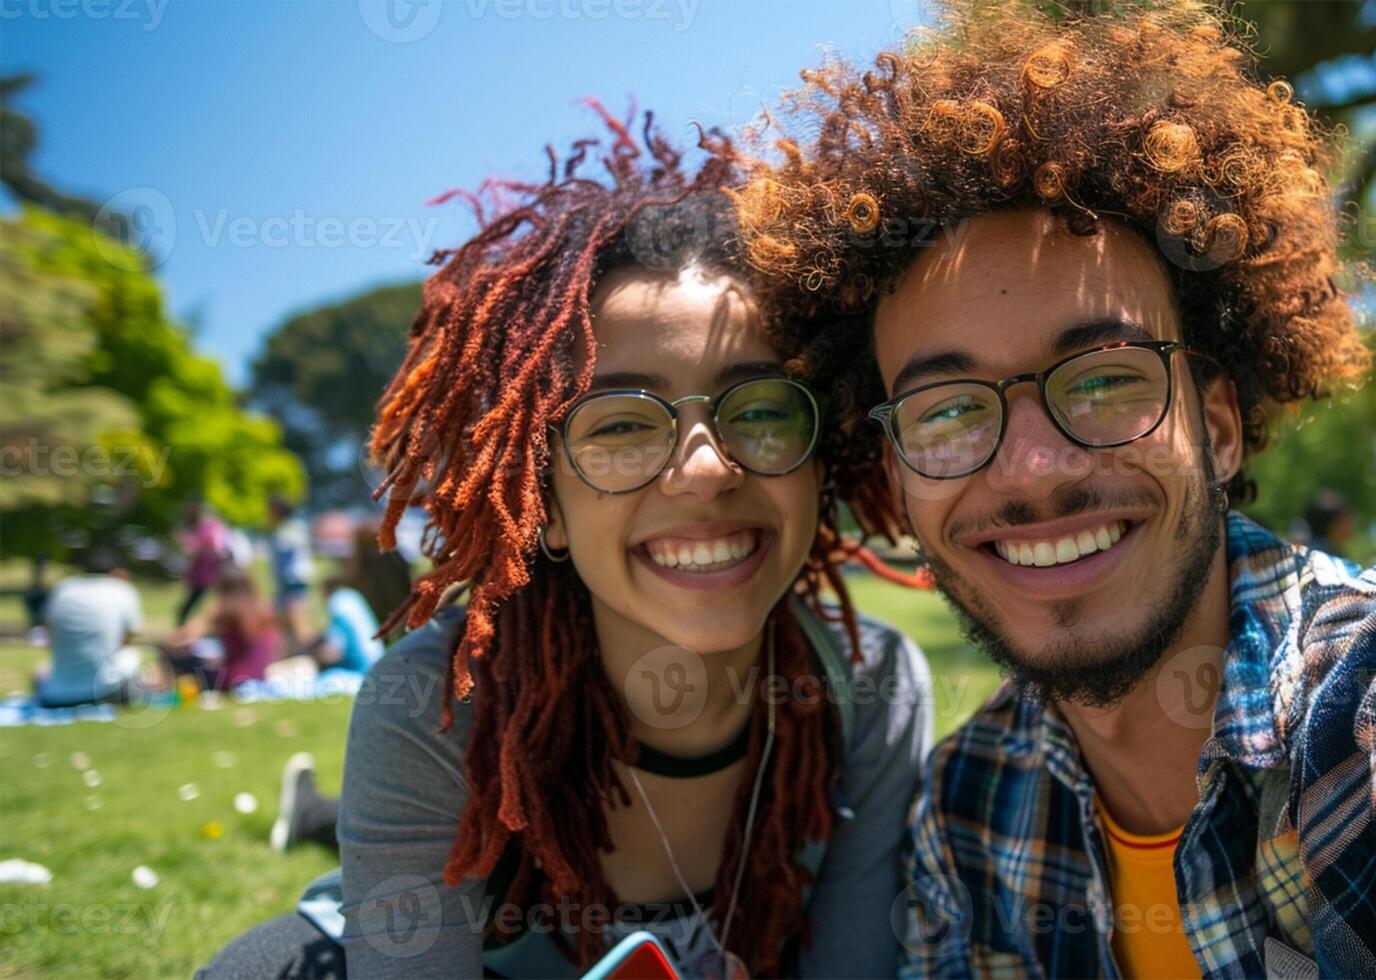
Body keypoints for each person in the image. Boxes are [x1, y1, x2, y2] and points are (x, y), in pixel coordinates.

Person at [737, 3, 1376, 976]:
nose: (1031, 467)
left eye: (1103, 379)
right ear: (894, 474)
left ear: (1216, 425)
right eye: (946, 413)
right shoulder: (965, 814)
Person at [199, 113, 932, 980]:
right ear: (541, 502)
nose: (702, 472)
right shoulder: (433, 710)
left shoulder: (871, 690)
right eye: (622, 426)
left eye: (762, 410)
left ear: (825, 456)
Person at [33, 547, 147, 708]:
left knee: (41, 668)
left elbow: (48, 636)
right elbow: (127, 641)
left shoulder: (62, 589)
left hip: (55, 694)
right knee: (133, 656)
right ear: (118, 572)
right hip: (106, 691)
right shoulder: (122, 589)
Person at [164, 568, 281, 692]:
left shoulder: (225, 610)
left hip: (231, 679)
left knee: (179, 659)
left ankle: (163, 686)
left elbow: (184, 636)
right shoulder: (264, 608)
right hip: (260, 675)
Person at [266, 495, 315, 652]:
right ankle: (293, 651)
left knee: (299, 624)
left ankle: (306, 653)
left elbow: (287, 547)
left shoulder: (291, 529)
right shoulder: (288, 529)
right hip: (286, 583)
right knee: (284, 625)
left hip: (293, 582)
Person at [176, 501, 229, 625]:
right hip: (204, 569)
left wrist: (187, 542)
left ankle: (183, 623)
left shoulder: (210, 527)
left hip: (207, 569)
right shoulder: (211, 526)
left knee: (195, 600)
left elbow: (213, 546)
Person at [1301, 489, 1354, 558]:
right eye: (1347, 518)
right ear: (1335, 524)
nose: (1351, 523)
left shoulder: (1305, 552)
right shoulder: (1329, 557)